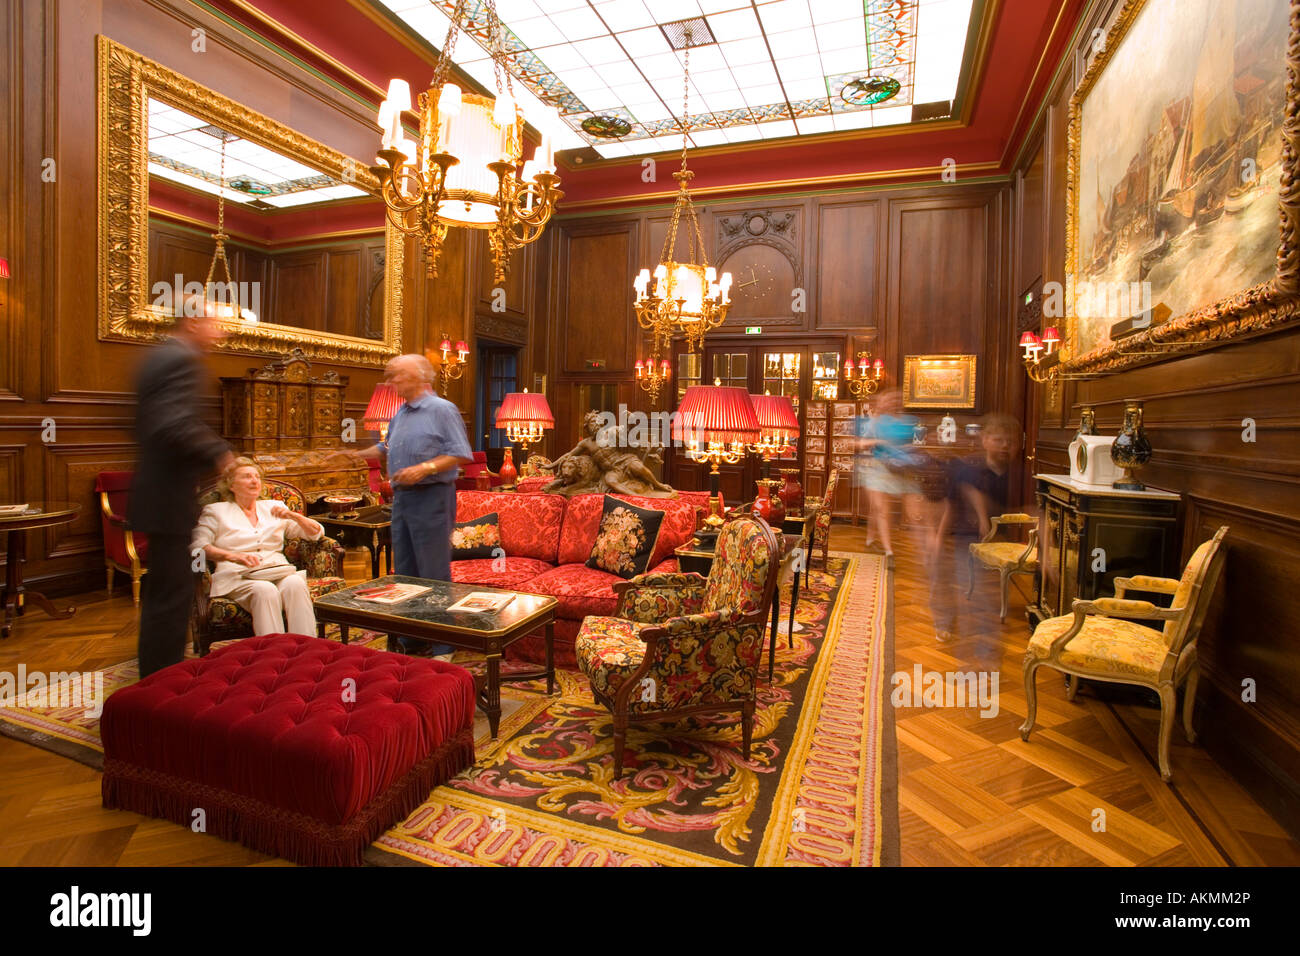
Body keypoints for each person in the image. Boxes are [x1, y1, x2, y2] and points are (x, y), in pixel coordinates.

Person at [129, 295, 235, 677]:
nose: (219, 331)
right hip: (168, 497)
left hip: (156, 494)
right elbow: (172, 424)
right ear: (192, 322)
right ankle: (161, 681)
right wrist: (220, 452)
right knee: (171, 597)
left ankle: (155, 674)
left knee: (165, 593)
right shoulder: (180, 360)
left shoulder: (156, 356)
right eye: (214, 322)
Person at [358, 354, 472, 658]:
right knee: (405, 572)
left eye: (396, 375)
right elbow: (387, 447)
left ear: (419, 377)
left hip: (432, 496)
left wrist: (425, 468)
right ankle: (413, 640)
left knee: (432, 573)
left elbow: (460, 453)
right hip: (403, 500)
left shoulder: (442, 410)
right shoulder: (400, 413)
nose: (391, 381)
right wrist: (354, 454)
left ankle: (443, 644)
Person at [191, 458, 323, 636]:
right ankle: (272, 653)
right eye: (246, 477)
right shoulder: (216, 511)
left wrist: (294, 516)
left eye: (257, 477)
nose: (254, 481)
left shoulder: (275, 507)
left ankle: (306, 649)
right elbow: (198, 546)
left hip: (277, 570)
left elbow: (315, 533)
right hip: (238, 576)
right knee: (264, 590)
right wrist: (233, 556)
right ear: (231, 485)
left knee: (296, 584)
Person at [930, 413, 1023, 649]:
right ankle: (947, 623)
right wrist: (939, 540)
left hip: (999, 542)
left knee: (981, 591)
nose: (1005, 446)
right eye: (999, 439)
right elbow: (952, 506)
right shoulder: (968, 470)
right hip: (966, 538)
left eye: (1010, 442)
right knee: (959, 581)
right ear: (985, 440)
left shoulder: (1018, 476)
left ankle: (981, 639)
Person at [854, 389, 920, 558]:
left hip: (900, 469)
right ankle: (888, 549)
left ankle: (870, 538)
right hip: (878, 468)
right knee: (881, 509)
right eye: (887, 400)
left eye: (895, 400)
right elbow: (859, 443)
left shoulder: (907, 421)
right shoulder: (874, 422)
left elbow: (912, 443)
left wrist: (907, 451)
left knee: (877, 509)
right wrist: (878, 441)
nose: (891, 403)